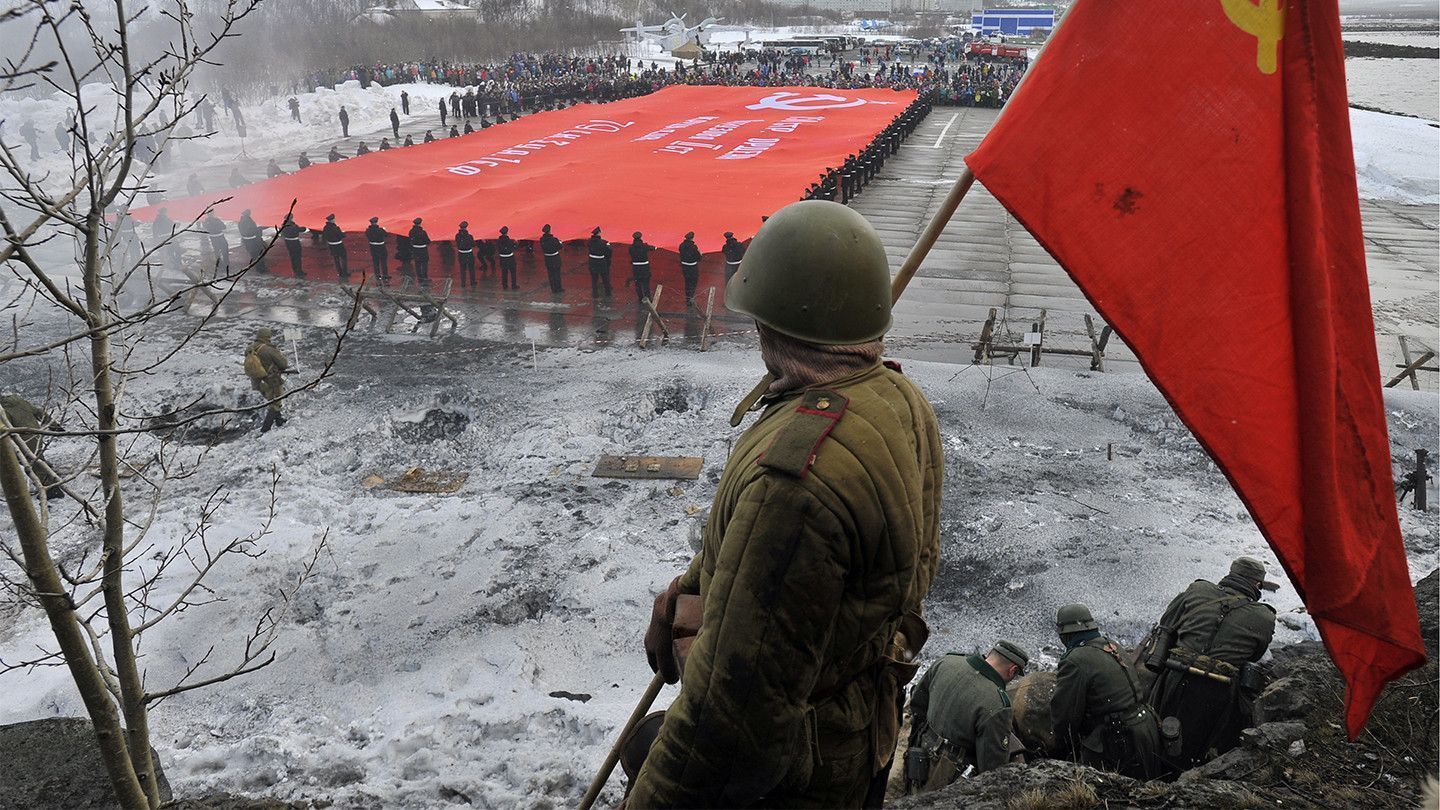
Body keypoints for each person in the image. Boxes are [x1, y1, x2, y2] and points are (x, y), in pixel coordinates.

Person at [627, 201, 943, 808]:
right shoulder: (899, 399)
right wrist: (698, 584)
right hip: (859, 726)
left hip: (804, 770)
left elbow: (731, 725)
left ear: (773, 322)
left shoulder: (794, 482)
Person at [1145, 557, 1278, 768]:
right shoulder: (1265, 616)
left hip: (1175, 675)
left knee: (1156, 727)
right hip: (1219, 688)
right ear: (1258, 584)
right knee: (1201, 744)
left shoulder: (1197, 590)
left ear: (1231, 573)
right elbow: (1254, 655)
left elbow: (1167, 622)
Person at [1051, 604, 1163, 779]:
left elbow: (1065, 714)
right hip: (1145, 728)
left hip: (1117, 739)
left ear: (1066, 633)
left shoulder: (1075, 659)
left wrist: (1059, 748)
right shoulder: (1112, 646)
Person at [904, 642, 1029, 794]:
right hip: (951, 778)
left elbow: (918, 705)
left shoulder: (946, 662)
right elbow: (992, 768)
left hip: (919, 756)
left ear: (989, 653)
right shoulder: (998, 704)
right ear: (1013, 670)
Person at [1, 393, 64, 500]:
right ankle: (46, 469)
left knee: (30, 462)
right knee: (35, 458)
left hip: (25, 439)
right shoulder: (18, 400)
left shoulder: (3, 411)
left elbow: (5, 431)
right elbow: (38, 411)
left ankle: (52, 490)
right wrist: (55, 426)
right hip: (35, 433)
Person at [244, 327, 289, 433]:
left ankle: (279, 420)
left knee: (271, 399)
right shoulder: (269, 349)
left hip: (257, 381)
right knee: (276, 403)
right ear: (268, 337)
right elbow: (283, 364)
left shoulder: (250, 348)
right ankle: (265, 429)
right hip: (271, 381)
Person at [629, 231, 655, 304]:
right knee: (646, 284)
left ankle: (640, 298)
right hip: (644, 268)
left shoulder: (631, 248)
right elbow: (653, 248)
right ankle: (648, 298)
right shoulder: (644, 246)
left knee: (638, 284)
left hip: (636, 268)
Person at [237, 209, 267, 273]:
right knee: (258, 254)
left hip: (248, 242)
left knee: (254, 255)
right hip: (253, 242)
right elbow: (251, 231)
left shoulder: (241, 221)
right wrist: (259, 229)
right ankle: (261, 269)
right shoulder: (247, 221)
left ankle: (259, 268)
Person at [678, 231, 701, 307]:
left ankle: (688, 298)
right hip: (693, 267)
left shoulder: (681, 245)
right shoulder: (693, 247)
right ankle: (691, 297)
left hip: (685, 267)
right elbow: (699, 258)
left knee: (687, 283)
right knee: (693, 283)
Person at [586, 227, 611, 300]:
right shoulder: (604, 242)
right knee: (605, 277)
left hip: (592, 261)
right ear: (599, 233)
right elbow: (608, 252)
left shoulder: (589, 241)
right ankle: (608, 292)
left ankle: (595, 293)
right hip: (601, 262)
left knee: (594, 279)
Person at [321, 214, 348, 279]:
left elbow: (324, 236)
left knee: (336, 259)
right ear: (332, 220)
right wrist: (343, 233)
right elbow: (341, 236)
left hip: (331, 245)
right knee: (343, 258)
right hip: (339, 245)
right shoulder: (336, 228)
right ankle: (344, 272)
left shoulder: (325, 228)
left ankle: (340, 272)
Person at [365, 217, 390, 284]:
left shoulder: (368, 231)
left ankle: (377, 276)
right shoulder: (380, 230)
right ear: (376, 222)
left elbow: (367, 236)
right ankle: (385, 275)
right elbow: (386, 235)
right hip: (381, 247)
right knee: (383, 262)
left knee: (376, 262)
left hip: (373, 248)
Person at [539, 224, 563, 294]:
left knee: (551, 274)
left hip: (547, 259)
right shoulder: (554, 240)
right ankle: (558, 288)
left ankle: (553, 289)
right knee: (557, 274)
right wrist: (560, 243)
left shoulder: (542, 240)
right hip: (555, 258)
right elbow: (560, 247)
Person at [454, 221, 476, 287]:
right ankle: (472, 282)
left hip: (461, 254)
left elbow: (457, 244)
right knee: (471, 269)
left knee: (462, 269)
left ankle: (463, 283)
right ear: (466, 227)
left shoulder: (457, 236)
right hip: (469, 254)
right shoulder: (469, 236)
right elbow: (473, 244)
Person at [409, 218, 431, 283]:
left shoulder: (411, 231)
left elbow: (410, 239)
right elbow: (427, 241)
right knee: (424, 264)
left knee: (417, 264)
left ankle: (419, 277)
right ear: (420, 223)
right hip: (423, 250)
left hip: (415, 250)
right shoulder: (423, 232)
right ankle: (425, 277)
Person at [496, 226, 517, 290]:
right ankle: (513, 285)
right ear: (507, 232)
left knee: (504, 272)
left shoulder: (498, 241)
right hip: (510, 258)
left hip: (502, 258)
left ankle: (504, 285)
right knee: (513, 272)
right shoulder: (510, 241)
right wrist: (516, 243)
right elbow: (515, 248)